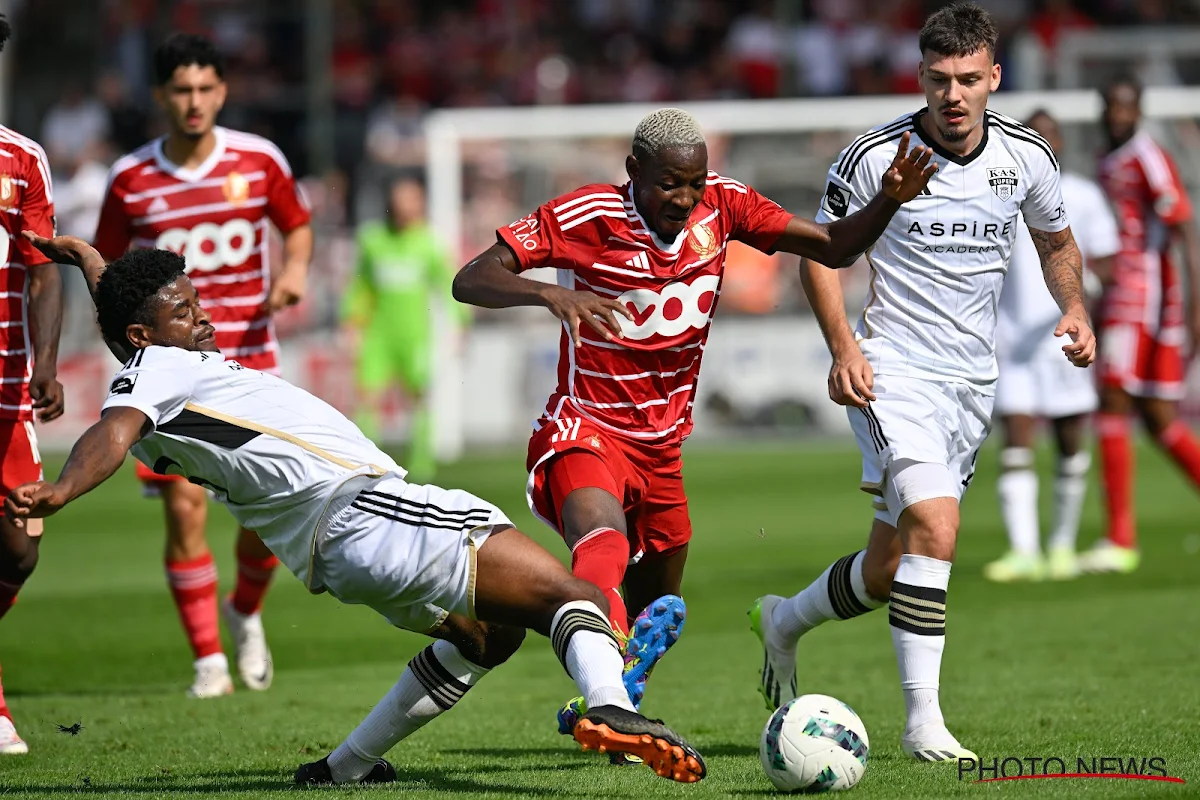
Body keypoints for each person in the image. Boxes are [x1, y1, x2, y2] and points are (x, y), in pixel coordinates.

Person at [5, 232, 707, 786]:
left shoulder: (154, 366)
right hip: (370, 510)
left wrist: (94, 265)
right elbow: (110, 432)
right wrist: (64, 487)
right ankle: (611, 705)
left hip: (336, 550)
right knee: (573, 594)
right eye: (184, 312)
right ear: (144, 336)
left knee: (490, 636)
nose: (202, 317)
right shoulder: (156, 372)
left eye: (196, 301)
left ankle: (344, 768)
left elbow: (132, 347)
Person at [452, 107, 937, 739]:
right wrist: (550, 292)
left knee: (658, 606)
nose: (684, 199)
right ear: (633, 172)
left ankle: (618, 683)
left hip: (661, 450)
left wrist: (887, 201)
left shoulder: (726, 207)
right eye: (668, 183)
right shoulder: (586, 216)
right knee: (603, 543)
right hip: (584, 426)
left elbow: (836, 247)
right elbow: (472, 278)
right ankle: (609, 705)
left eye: (695, 183)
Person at [749, 2, 1095, 763]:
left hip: (973, 385)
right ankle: (922, 724)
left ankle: (784, 620)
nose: (954, 94)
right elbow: (819, 254)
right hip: (893, 372)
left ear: (994, 77)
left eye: (969, 79)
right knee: (936, 527)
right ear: (921, 77)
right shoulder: (877, 156)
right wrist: (844, 349)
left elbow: (1057, 239)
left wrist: (1073, 305)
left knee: (887, 569)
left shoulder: (1026, 157)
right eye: (939, 79)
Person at [93, 34, 313, 698]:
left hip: (250, 358)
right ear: (161, 96)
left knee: (264, 512)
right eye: (180, 90)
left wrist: (295, 271)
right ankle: (208, 662)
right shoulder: (132, 178)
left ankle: (245, 610)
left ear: (222, 91)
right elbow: (107, 269)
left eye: (205, 89)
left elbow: (295, 224)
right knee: (185, 511)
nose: (194, 103)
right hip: (169, 373)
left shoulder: (259, 159)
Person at [984, 110, 1119, 583]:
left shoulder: (1082, 194)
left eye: (1049, 132)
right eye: (1032, 131)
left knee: (1067, 441)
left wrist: (1085, 300)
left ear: (1059, 140)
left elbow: (1107, 262)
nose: (1041, 139)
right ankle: (1025, 551)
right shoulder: (998, 189)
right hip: (1012, 340)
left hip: (1062, 337)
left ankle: (1061, 546)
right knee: (1016, 443)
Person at [1078, 75, 1200, 575]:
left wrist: (1195, 307)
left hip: (1144, 297)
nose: (1118, 116)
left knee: (1112, 399)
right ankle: (1119, 535)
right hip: (1119, 295)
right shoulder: (1108, 160)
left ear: (1140, 110)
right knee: (1157, 418)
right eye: (1111, 106)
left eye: (1126, 108)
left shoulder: (1148, 157)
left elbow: (1184, 228)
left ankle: (1120, 538)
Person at [0, 14, 65, 756]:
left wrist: (44, 363)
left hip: (6, 386)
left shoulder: (22, 159)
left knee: (19, 552)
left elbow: (43, 267)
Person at [341, 176, 462, 480]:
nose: (405, 206)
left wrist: (459, 322)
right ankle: (367, 460)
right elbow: (361, 286)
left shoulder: (429, 243)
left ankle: (422, 464)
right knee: (368, 396)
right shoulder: (373, 240)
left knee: (419, 396)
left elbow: (447, 285)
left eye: (411, 199)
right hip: (378, 334)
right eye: (400, 199)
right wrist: (352, 321)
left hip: (414, 335)